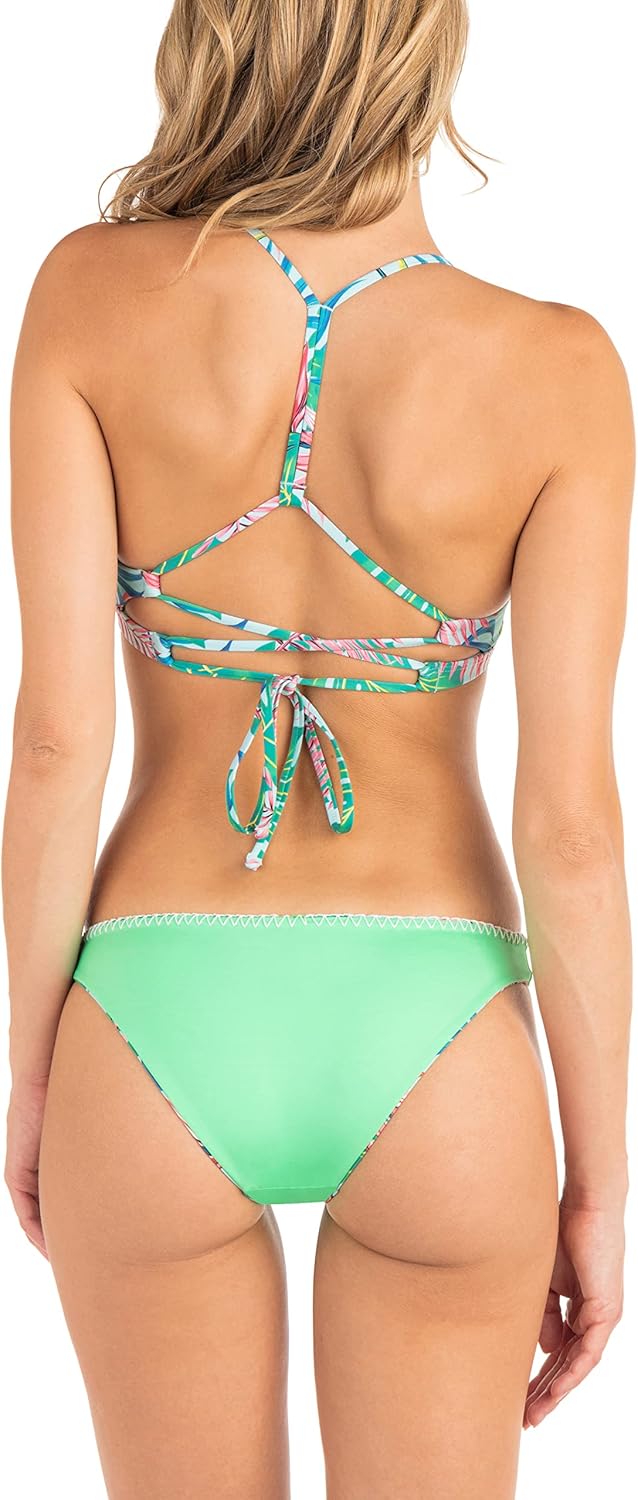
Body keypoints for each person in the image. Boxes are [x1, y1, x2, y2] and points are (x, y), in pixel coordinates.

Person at [3, 2, 632, 1496]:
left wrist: (32, 1079)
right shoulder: (557, 368)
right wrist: (599, 1183)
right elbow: (569, 825)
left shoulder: (89, 294)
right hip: (439, 1030)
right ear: (430, 55)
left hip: (152, 1015)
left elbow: (57, 744)